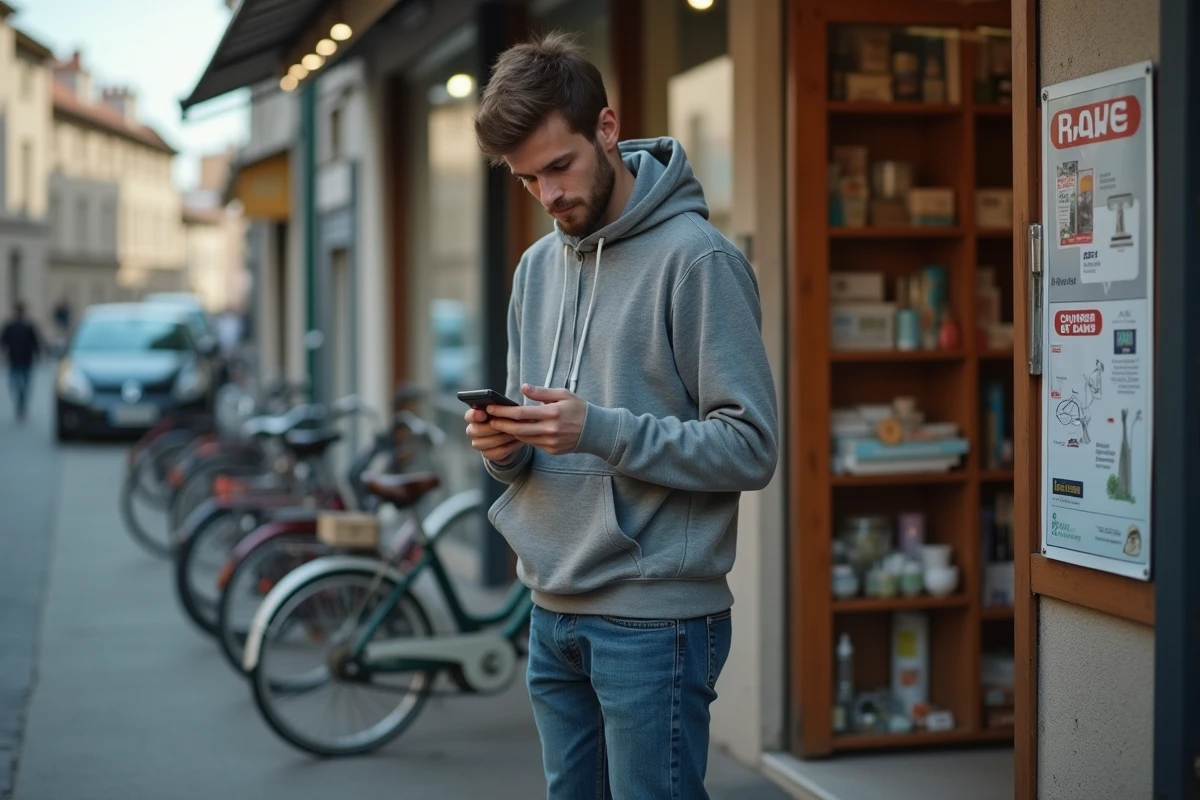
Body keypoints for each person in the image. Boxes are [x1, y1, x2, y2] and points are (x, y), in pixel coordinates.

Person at [464, 32, 779, 800]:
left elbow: (752, 448)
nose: (549, 195)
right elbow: (540, 437)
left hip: (657, 621)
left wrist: (596, 429)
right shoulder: (536, 268)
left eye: (560, 167)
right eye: (527, 179)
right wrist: (502, 448)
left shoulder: (697, 260)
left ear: (607, 128)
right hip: (551, 609)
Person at [1, 301, 43, 421]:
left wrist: (38, 354)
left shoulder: (27, 326)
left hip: (24, 359)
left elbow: (35, 342)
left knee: (23, 384)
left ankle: (21, 402)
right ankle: (21, 401)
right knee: (16, 384)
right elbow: (3, 341)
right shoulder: (10, 326)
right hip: (16, 359)